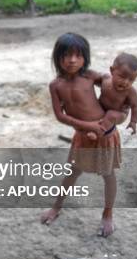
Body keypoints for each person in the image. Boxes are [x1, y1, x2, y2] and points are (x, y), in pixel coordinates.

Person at [40, 33, 125, 237]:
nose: (72, 60)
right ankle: (56, 207)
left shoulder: (90, 76)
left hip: (105, 136)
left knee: (108, 175)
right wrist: (87, 126)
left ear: (85, 58)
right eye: (67, 55)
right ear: (57, 57)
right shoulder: (56, 85)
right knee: (72, 173)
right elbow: (60, 115)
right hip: (83, 138)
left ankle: (107, 213)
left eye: (78, 56)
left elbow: (110, 82)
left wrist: (119, 107)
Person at [86, 53, 137, 140]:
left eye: (131, 79)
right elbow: (93, 77)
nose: (125, 82)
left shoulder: (130, 92)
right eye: (122, 77)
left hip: (119, 113)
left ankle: (98, 132)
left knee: (111, 115)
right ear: (112, 71)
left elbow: (135, 107)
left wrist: (133, 122)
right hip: (102, 107)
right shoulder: (105, 79)